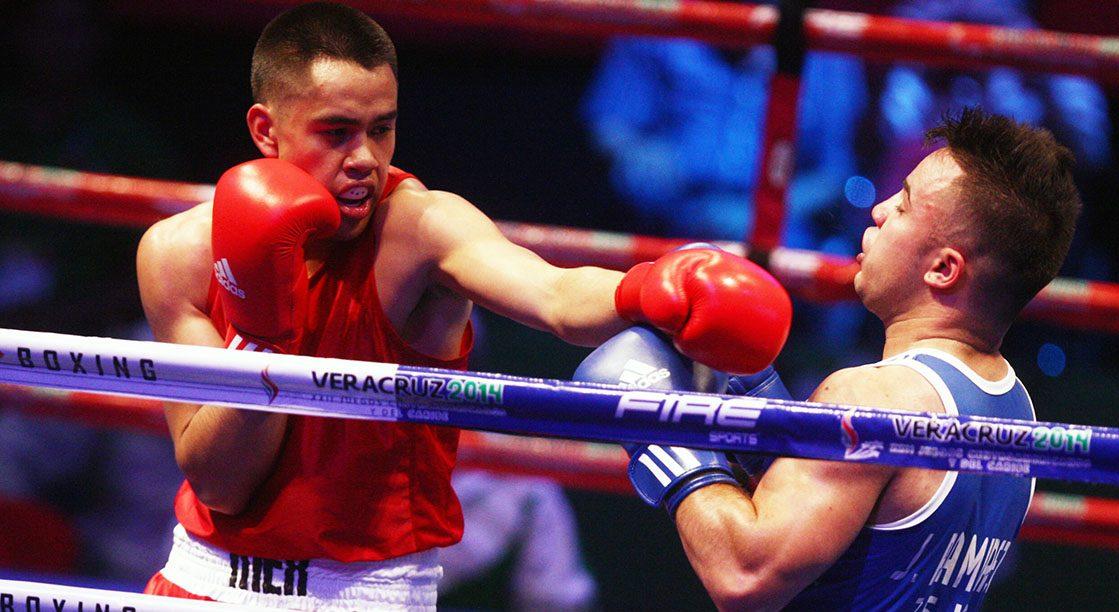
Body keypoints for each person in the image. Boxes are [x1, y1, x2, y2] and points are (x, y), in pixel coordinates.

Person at [134, 3, 791, 609]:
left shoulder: (420, 228)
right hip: (204, 580)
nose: (364, 158)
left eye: (381, 129)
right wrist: (262, 333)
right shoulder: (180, 253)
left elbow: (554, 295)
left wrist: (650, 288)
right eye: (335, 133)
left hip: (367, 591)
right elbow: (221, 483)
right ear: (265, 131)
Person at [578, 108, 1080, 609]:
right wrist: (757, 398)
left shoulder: (875, 398)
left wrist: (663, 431)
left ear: (944, 269)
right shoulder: (1018, 411)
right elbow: (873, 554)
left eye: (903, 206)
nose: (878, 210)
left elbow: (744, 573)